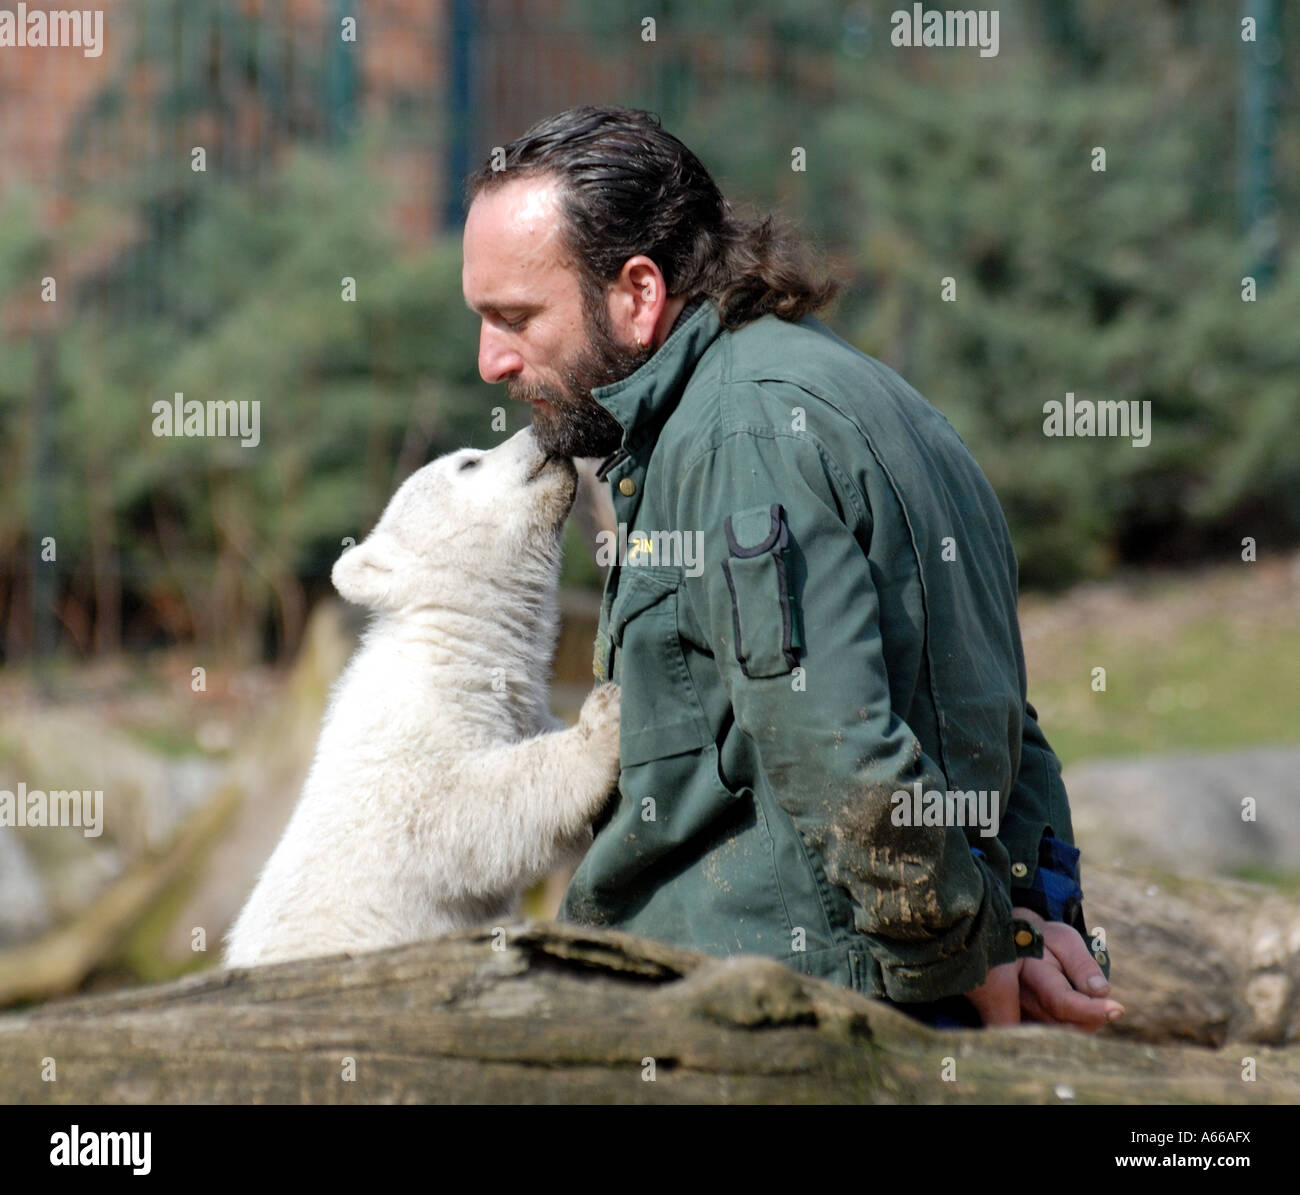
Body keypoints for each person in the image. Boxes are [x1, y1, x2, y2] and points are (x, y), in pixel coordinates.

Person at [460, 106, 1124, 1030]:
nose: (492, 359)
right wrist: (1027, 925)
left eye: (515, 318)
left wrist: (966, 954)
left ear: (638, 293)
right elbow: (1008, 722)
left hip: (788, 1024)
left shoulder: (743, 433)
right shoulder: (867, 397)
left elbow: (836, 751)